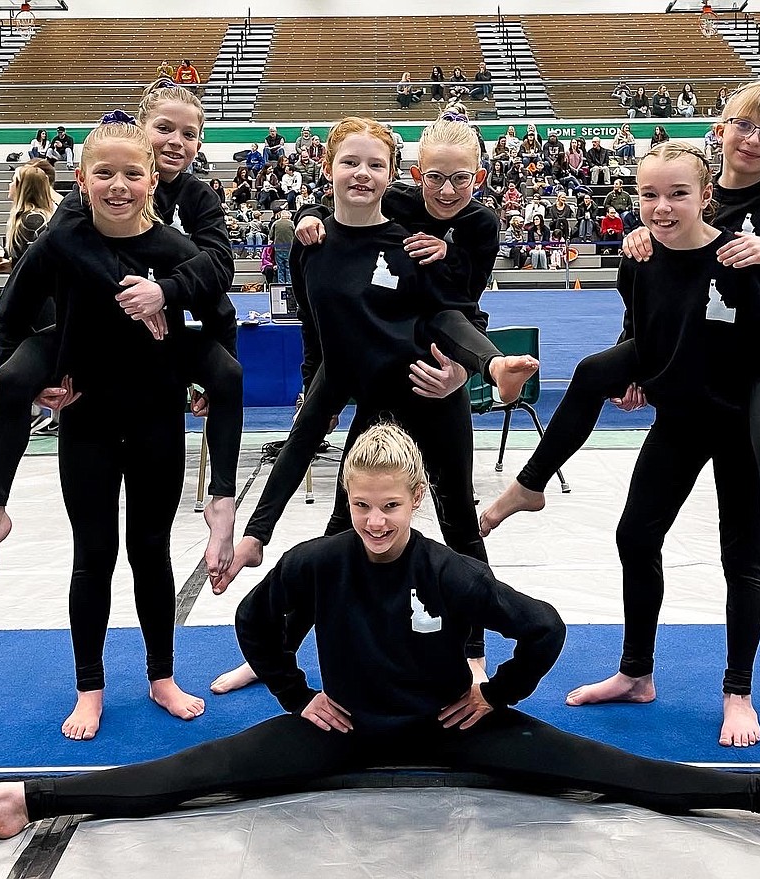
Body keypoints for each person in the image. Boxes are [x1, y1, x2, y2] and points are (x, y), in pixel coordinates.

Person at [0, 423, 760, 841]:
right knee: (191, 776)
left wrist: (491, 698)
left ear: (419, 500)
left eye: (391, 506)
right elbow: (256, 620)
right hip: (339, 725)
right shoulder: (316, 561)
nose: (374, 521)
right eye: (361, 504)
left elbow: (540, 630)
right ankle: (28, 798)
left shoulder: (453, 569)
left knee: (610, 771)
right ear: (346, 498)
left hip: (443, 723)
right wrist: (299, 695)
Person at [481, 128, 760, 749]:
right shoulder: (639, 255)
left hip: (740, 411)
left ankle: (738, 690)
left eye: (677, 194)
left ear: (707, 197)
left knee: (738, 556)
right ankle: (636, 671)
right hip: (685, 411)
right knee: (634, 531)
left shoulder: (737, 257)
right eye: (649, 195)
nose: (662, 207)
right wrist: (639, 370)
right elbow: (643, 321)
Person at [208, 116, 537, 695]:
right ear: (327, 167)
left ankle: (473, 650)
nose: (362, 173)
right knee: (341, 535)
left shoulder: (413, 241)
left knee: (459, 521)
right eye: (350, 163)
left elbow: (451, 312)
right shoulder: (311, 246)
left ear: (391, 175)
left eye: (374, 165)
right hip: (357, 383)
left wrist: (474, 367)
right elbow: (314, 325)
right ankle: (277, 653)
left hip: (429, 386)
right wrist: (255, 534)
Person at [0, 82, 238, 598]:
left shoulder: (197, 198)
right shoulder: (91, 189)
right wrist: (131, 295)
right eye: (163, 129)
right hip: (82, 337)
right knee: (15, 375)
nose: (176, 141)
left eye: (189, 134)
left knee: (227, 371)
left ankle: (221, 500)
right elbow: (58, 250)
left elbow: (219, 269)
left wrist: (166, 291)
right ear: (138, 129)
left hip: (159, 346)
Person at [268, 208, 295, 284]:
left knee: (280, 268)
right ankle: (289, 285)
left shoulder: (275, 223)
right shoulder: (292, 224)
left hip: (278, 249)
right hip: (289, 249)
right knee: (288, 267)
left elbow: (271, 236)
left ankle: (281, 284)